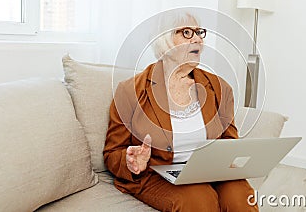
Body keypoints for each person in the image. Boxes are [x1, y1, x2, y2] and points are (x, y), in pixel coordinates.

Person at [103, 12, 259, 212]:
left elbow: (230, 142)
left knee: (240, 198)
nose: (198, 39)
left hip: (210, 171)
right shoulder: (130, 90)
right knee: (200, 200)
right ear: (164, 41)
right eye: (186, 32)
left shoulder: (220, 88)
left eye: (199, 33)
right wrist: (131, 160)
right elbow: (112, 153)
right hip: (157, 175)